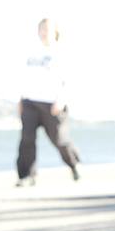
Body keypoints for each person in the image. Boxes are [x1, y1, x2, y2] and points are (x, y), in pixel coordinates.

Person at [16, 17, 81, 186]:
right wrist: (21, 100)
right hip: (30, 101)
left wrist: (61, 99)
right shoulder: (31, 51)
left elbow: (68, 79)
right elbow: (25, 77)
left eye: (47, 28)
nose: (44, 31)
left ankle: (74, 163)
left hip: (52, 103)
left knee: (58, 139)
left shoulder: (61, 51)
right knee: (27, 137)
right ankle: (27, 176)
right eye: (41, 28)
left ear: (55, 32)